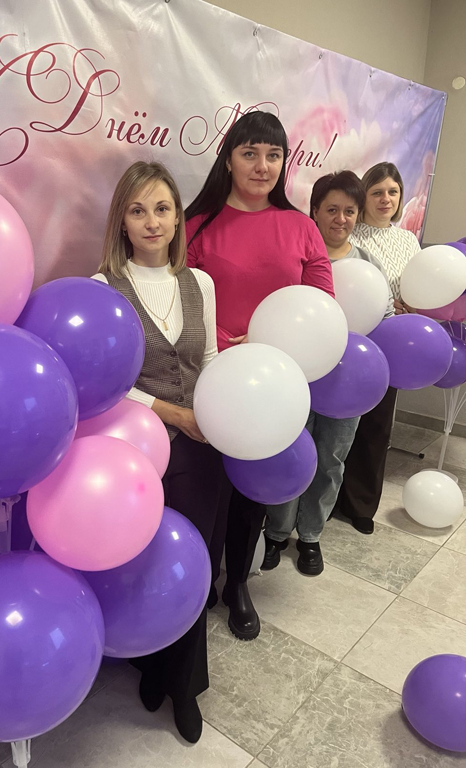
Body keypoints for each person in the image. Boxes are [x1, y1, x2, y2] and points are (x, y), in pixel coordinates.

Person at [185, 111, 333, 640]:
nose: (262, 165)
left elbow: (322, 307)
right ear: (229, 159)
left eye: (273, 155)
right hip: (208, 379)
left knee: (252, 493)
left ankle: (238, 584)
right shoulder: (197, 225)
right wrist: (226, 345)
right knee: (207, 489)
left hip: (273, 383)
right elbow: (178, 305)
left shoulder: (301, 227)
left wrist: (270, 344)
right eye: (250, 153)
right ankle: (201, 579)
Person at [93, 161, 225, 744]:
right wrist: (174, 414)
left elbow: (210, 359)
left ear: (177, 219)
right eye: (138, 210)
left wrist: (217, 414)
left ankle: (184, 685)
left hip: (202, 448)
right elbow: (107, 382)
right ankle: (150, 663)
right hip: (135, 451)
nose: (152, 221)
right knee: (144, 563)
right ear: (121, 221)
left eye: (162, 209)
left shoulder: (201, 284)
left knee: (192, 562)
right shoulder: (102, 289)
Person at [262, 171, 394, 574]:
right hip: (296, 373)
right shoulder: (295, 256)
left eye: (349, 211)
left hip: (346, 381)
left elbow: (384, 316)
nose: (341, 219)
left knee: (331, 458)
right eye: (332, 210)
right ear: (315, 211)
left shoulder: (367, 265)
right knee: (290, 452)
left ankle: (311, 535)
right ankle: (276, 532)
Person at [333, 162, 421, 534]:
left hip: (391, 345)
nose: (386, 199)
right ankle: (329, 499)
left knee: (377, 428)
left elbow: (418, 286)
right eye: (377, 192)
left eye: (393, 192)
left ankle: (361, 505)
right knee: (338, 426)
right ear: (363, 197)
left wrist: (412, 306)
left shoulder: (409, 240)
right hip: (349, 342)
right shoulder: (349, 235)